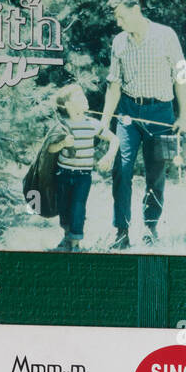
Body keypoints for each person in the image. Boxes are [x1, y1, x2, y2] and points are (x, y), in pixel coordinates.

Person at [98, 0, 186, 250]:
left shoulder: (166, 35)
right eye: (115, 18)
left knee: (157, 172)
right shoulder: (119, 42)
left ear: (135, 8)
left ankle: (150, 228)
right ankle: (121, 232)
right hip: (127, 113)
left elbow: (181, 78)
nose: (118, 22)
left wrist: (182, 116)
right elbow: (113, 85)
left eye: (120, 16)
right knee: (121, 169)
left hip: (162, 113)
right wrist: (105, 122)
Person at [48, 83, 118, 251]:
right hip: (63, 174)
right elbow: (50, 148)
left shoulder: (92, 124)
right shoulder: (62, 126)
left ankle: (75, 244)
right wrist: (63, 143)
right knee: (64, 208)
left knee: (78, 207)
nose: (84, 98)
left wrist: (109, 156)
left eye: (83, 94)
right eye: (78, 96)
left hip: (83, 176)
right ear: (68, 105)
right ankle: (66, 238)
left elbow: (115, 139)